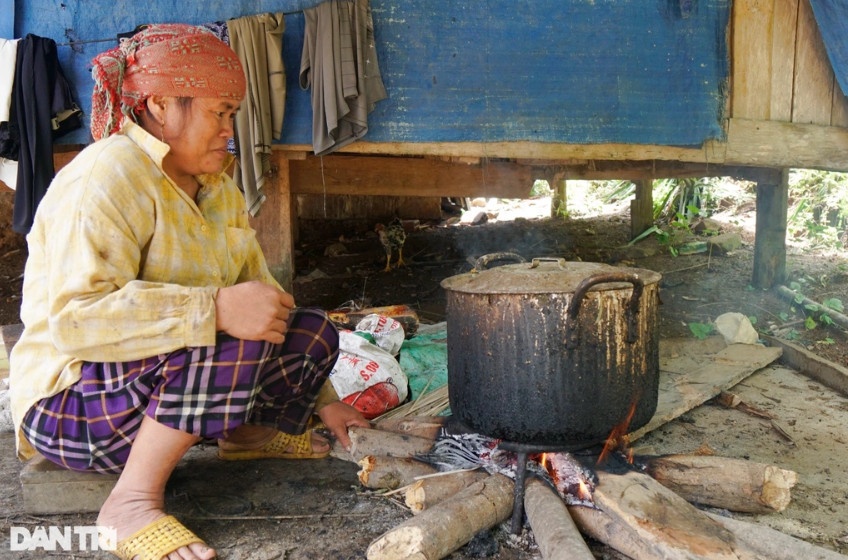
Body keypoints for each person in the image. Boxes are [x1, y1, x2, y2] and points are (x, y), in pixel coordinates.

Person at [8, 24, 369, 560]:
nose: (230, 130)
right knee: (224, 329)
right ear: (159, 105)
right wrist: (215, 307)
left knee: (308, 328)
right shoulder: (107, 175)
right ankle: (131, 501)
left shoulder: (219, 188)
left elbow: (265, 304)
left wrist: (327, 402)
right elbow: (73, 320)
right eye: (218, 112)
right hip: (72, 407)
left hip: (158, 390)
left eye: (232, 115)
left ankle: (244, 439)